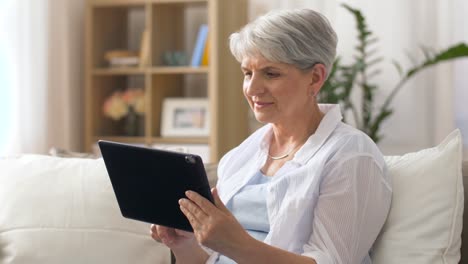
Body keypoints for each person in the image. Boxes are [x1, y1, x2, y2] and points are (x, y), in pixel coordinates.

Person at [150, 8, 391, 264]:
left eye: (271, 73)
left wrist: (237, 244)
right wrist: (184, 244)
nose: (252, 88)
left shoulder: (351, 155)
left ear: (316, 77)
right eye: (247, 73)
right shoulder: (243, 154)